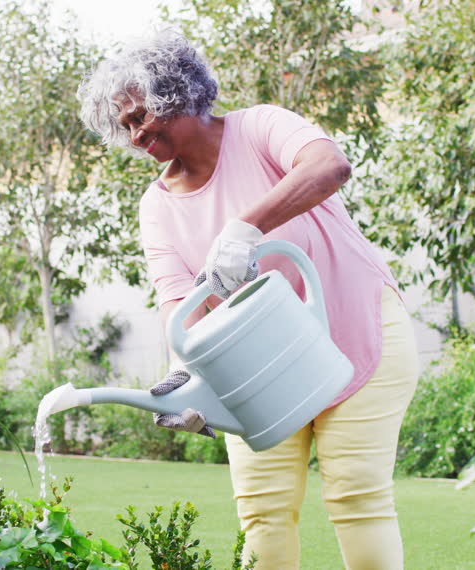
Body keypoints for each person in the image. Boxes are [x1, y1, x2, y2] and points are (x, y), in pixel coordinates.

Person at [77, 28, 419, 570]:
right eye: (125, 127)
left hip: (356, 331)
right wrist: (186, 377)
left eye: (140, 116)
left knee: (357, 497)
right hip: (257, 368)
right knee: (263, 512)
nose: (135, 135)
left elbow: (329, 166)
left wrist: (246, 228)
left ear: (177, 92)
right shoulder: (157, 206)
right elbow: (177, 303)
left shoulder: (259, 127)